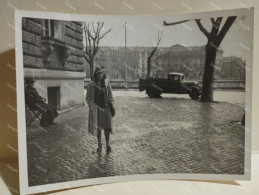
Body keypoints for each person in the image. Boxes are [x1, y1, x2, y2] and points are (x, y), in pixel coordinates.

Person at [86, 65, 114, 153]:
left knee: (107, 127)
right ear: (96, 74)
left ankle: (108, 144)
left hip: (106, 108)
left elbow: (110, 95)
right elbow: (88, 97)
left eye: (102, 73)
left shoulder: (106, 83)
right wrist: (91, 106)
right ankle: (99, 144)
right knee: (98, 128)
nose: (100, 75)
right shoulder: (91, 84)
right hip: (97, 109)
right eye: (98, 73)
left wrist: (111, 103)